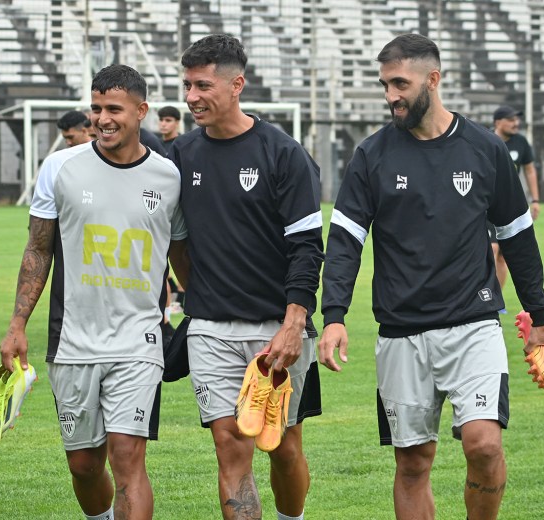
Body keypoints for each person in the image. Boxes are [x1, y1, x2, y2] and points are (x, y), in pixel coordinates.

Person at [319, 34, 544, 520]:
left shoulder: (484, 149)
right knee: (413, 462)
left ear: (433, 80)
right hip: (400, 331)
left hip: (473, 323)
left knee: (483, 445)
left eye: (400, 83)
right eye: (385, 84)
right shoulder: (371, 155)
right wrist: (333, 316)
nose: (391, 94)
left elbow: (518, 237)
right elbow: (346, 242)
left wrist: (540, 316)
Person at [0, 64, 187, 520]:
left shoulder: (168, 177)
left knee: (128, 458)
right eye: (97, 108)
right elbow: (38, 250)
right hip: (72, 340)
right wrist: (17, 325)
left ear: (141, 111)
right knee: (84, 465)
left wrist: (198, 310)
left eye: (114, 109)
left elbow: (181, 254)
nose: (102, 118)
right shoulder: (61, 168)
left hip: (139, 340)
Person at [166, 34, 325, 520]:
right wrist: (199, 296)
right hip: (210, 327)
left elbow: (306, 246)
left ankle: (289, 517)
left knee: (283, 447)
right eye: (187, 85)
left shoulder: (283, 154)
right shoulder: (180, 156)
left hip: (276, 326)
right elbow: (177, 241)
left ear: (238, 85)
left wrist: (294, 320)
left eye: (203, 86)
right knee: (230, 442)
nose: (192, 97)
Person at [490, 105, 541, 288]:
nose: (516, 123)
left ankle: (498, 302)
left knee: (503, 256)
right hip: (487, 204)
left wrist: (535, 200)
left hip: (509, 204)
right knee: (492, 249)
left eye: (516, 120)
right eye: (511, 120)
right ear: (498, 122)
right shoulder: (486, 140)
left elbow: (529, 170)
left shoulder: (521, 142)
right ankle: (485, 299)